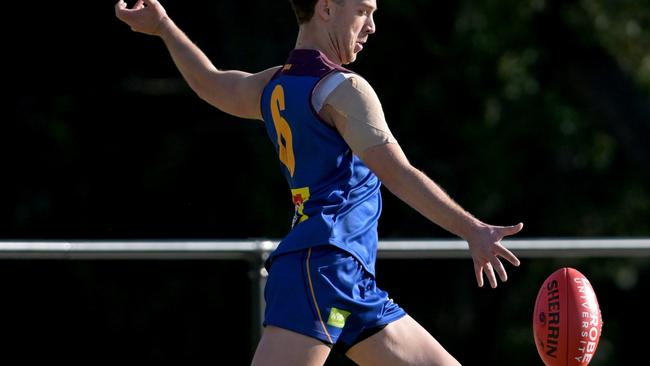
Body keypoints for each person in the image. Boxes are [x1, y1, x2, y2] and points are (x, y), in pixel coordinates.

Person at [115, 0, 524, 365]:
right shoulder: (344, 89)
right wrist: (472, 229)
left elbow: (211, 83)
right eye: (363, 11)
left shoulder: (276, 84)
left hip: (346, 277)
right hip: (322, 267)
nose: (372, 27)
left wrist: (165, 27)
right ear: (326, 7)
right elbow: (398, 173)